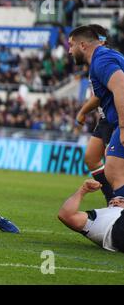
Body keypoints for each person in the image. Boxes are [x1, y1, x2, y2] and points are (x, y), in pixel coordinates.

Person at [69, 25, 124, 199]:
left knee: (114, 169)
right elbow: (103, 94)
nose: (69, 51)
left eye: (71, 45)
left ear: (83, 45)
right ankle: (115, 205)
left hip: (117, 120)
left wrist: (123, 127)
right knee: (100, 161)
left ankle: (118, 210)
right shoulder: (101, 60)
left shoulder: (101, 60)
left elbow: (121, 87)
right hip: (110, 118)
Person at [58, 179, 124, 252]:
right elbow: (66, 215)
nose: (115, 201)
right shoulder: (97, 216)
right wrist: (83, 190)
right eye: (111, 202)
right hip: (117, 232)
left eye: (121, 201)